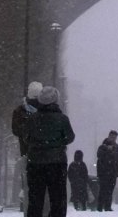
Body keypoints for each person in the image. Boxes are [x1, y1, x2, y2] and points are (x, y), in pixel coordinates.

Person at [12, 83, 75, 217]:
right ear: (55, 99)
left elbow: (26, 137)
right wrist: (57, 143)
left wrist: (37, 145)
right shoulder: (62, 119)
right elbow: (70, 137)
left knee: (35, 199)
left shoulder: (32, 119)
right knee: (57, 198)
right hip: (57, 163)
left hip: (35, 163)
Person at [97, 132, 118, 211]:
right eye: (112, 137)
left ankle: (107, 206)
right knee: (103, 190)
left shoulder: (116, 148)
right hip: (103, 172)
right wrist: (107, 150)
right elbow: (99, 156)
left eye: (115, 137)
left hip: (113, 172)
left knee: (110, 190)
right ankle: (100, 207)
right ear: (109, 136)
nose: (113, 139)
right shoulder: (102, 147)